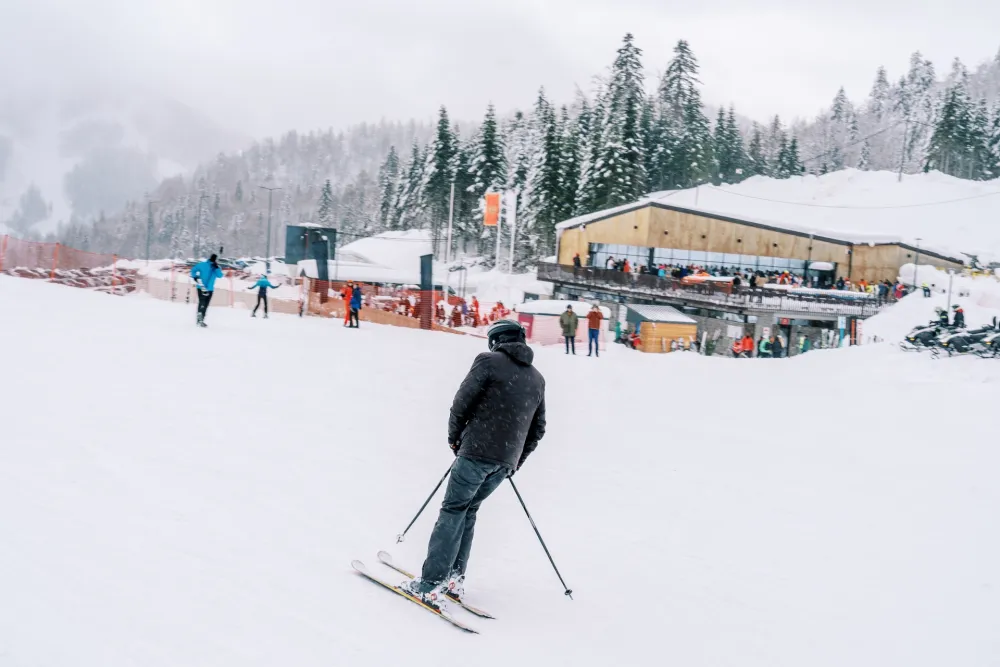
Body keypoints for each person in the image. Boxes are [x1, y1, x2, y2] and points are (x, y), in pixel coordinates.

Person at [401, 319, 545, 607]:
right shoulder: (537, 378)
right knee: (468, 510)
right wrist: (514, 461)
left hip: (476, 452)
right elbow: (538, 429)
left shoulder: (488, 361)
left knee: (454, 510)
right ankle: (454, 579)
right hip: (504, 462)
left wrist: (456, 440)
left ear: (496, 340)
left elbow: (461, 403)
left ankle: (430, 584)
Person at [190, 254, 224, 327]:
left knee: (204, 304)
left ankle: (200, 319)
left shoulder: (214, 268)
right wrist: (195, 277)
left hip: (207, 288)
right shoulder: (204, 265)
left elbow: (220, 275)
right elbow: (193, 270)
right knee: (203, 303)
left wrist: (217, 267)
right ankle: (200, 319)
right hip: (202, 287)